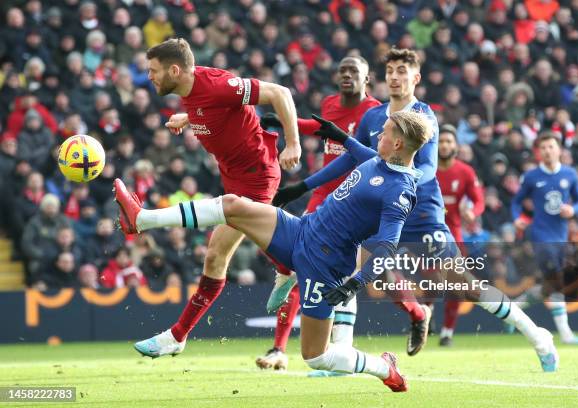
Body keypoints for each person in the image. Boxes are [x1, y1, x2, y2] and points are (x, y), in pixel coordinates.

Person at [276, 48, 559, 372]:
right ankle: (340, 357)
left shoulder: (423, 115)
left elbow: (428, 167)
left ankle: (538, 336)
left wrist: (400, 180)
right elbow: (351, 157)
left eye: (402, 71)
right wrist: (304, 186)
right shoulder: (373, 116)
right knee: (350, 269)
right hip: (378, 213)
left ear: (416, 77)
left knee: (463, 282)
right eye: (391, 70)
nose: (395, 77)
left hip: (421, 212)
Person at [116, 110, 433, 392]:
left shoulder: (400, 192)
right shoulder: (378, 159)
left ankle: (384, 368)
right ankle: (141, 219)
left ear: (398, 145)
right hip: (302, 232)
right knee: (233, 205)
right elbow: (348, 145)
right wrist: (296, 127)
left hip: (325, 265)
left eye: (386, 132)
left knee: (317, 356)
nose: (379, 134)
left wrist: (355, 283)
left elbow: (387, 247)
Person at [119, 38, 301, 353]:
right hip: (234, 179)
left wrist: (293, 143)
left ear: (174, 69)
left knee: (217, 254)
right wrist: (189, 118)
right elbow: (213, 109)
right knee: (219, 254)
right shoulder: (189, 89)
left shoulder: (218, 85)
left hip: (258, 176)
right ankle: (287, 267)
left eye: (153, 70)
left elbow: (279, 92)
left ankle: (176, 336)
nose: (149, 77)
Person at [255, 55, 382, 371]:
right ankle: (279, 348)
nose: (347, 75)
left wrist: (290, 124)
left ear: (367, 78)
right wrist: (288, 124)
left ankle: (415, 314)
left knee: (362, 269)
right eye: (342, 70)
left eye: (354, 70)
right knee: (303, 260)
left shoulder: (375, 112)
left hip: (357, 197)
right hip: (327, 194)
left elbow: (361, 154)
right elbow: (323, 132)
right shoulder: (329, 104)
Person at [512, 132, 578, 345]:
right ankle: (566, 334)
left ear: (559, 149)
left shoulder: (570, 174)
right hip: (540, 235)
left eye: (551, 146)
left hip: (561, 236)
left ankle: (513, 309)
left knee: (549, 286)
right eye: (543, 147)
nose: (547, 151)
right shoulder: (532, 177)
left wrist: (573, 209)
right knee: (557, 280)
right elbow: (516, 202)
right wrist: (518, 218)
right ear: (539, 152)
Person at [436, 124, 484, 346]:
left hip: (453, 234)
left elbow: (479, 200)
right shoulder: (426, 169)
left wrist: (473, 213)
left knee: (456, 285)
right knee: (430, 282)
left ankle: (447, 332)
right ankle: (423, 322)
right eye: (441, 141)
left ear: (455, 145)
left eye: (449, 141)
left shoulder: (465, 172)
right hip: (427, 233)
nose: (445, 145)